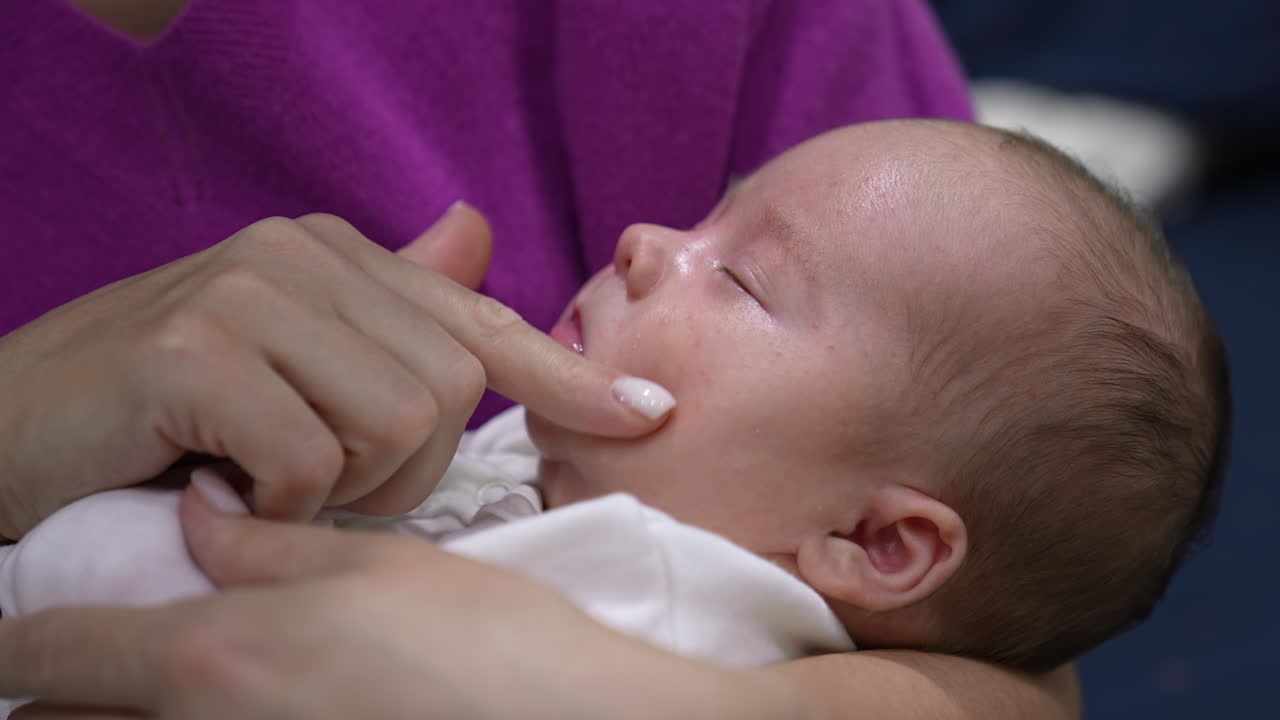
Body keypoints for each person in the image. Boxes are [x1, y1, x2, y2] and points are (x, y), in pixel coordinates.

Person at [0, 1, 1082, 717]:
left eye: (741, 281)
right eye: (706, 218)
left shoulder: (663, 597)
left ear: (873, 541)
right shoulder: (557, 472)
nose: (644, 239)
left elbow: (1019, 660)